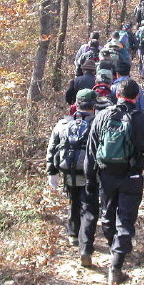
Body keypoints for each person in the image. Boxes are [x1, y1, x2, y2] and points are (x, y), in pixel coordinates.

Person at [83, 79, 144, 285]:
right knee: (125, 219)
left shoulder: (102, 117)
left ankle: (114, 248)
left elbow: (91, 151)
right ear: (136, 97)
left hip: (106, 175)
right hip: (131, 176)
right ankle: (116, 265)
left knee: (107, 216)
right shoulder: (143, 120)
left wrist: (90, 179)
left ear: (117, 95)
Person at [46, 89, 97, 247]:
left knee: (74, 201)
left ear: (76, 104)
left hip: (69, 171)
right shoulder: (97, 124)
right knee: (88, 205)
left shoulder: (63, 124)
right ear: (93, 106)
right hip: (90, 173)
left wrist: (52, 172)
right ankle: (85, 243)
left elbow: (52, 148)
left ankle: (73, 234)